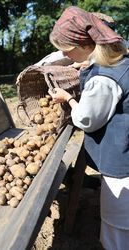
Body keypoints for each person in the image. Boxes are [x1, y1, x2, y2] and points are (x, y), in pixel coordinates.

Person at [47, 6, 129, 250]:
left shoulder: (104, 78)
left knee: (118, 228)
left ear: (84, 45)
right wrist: (88, 68)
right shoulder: (119, 61)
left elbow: (86, 118)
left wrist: (68, 99)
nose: (63, 53)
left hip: (122, 165)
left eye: (66, 48)